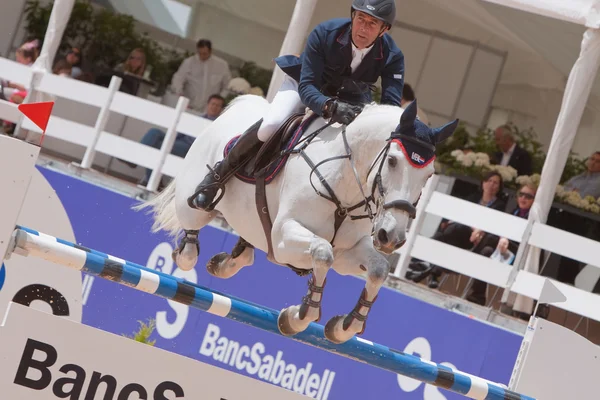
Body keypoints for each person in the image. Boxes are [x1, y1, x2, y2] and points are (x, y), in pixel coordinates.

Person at [190, 0, 405, 211]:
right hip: (306, 86)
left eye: (372, 24)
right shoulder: (325, 33)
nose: (363, 28)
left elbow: (390, 108)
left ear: (384, 30)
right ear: (352, 16)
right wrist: (329, 106)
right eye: (360, 19)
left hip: (351, 99)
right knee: (270, 126)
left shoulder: (393, 56)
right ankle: (218, 174)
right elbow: (308, 85)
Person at [170, 39, 232, 113]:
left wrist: (218, 101)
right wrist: (179, 93)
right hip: (189, 105)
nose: (202, 56)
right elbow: (178, 79)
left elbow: (227, 86)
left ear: (210, 51)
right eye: (200, 53)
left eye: (205, 54)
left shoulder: (222, 65)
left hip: (209, 109)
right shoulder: (189, 62)